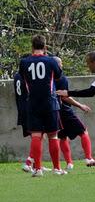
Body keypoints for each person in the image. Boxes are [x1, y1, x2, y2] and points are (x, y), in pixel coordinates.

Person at [18, 35, 66, 177]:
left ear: (32, 47)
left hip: (32, 103)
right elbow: (58, 77)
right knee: (53, 135)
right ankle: (56, 169)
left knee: (36, 135)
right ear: (45, 48)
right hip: (50, 102)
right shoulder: (51, 61)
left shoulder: (24, 62)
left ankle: (38, 169)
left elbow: (23, 76)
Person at [53, 57, 95, 170]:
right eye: (60, 63)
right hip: (64, 110)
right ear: (56, 65)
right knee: (83, 131)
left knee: (62, 137)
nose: (62, 66)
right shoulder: (61, 78)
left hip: (54, 111)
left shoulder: (48, 79)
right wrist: (80, 105)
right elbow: (64, 97)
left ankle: (69, 163)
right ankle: (88, 158)